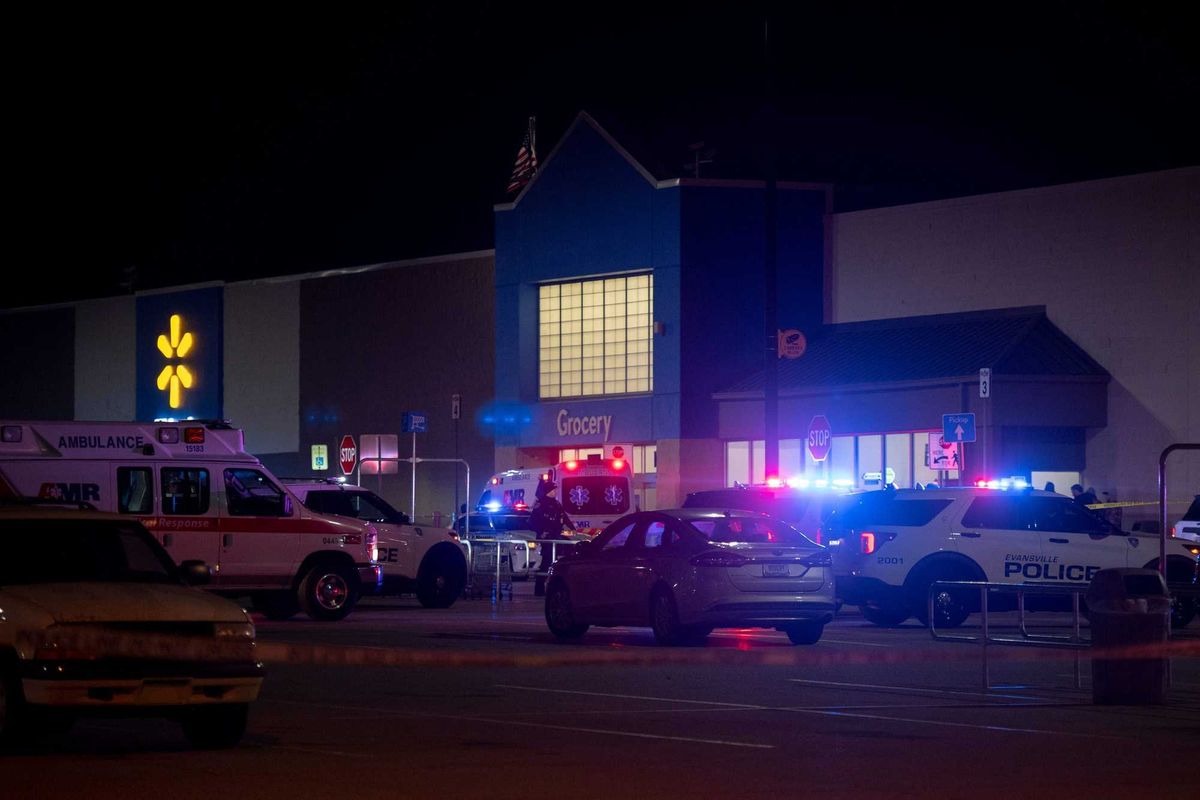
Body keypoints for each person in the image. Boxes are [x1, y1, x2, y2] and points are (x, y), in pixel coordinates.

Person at [530, 477, 572, 596]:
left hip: (557, 536)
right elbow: (533, 522)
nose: (555, 492)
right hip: (546, 538)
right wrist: (541, 531)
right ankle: (539, 589)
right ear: (547, 491)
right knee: (546, 562)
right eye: (553, 490)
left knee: (562, 559)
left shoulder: (557, 504)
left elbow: (565, 518)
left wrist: (573, 530)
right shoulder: (540, 505)